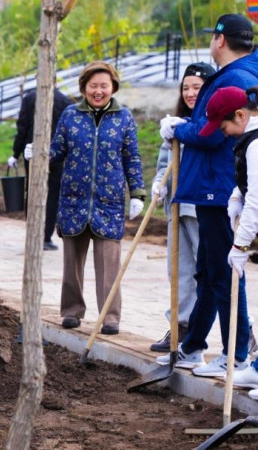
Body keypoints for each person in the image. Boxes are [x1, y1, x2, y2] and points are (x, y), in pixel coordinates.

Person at [156, 13, 258, 377]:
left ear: (220, 40)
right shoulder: (235, 73)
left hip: (219, 187)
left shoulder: (236, 78)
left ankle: (236, 353)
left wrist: (181, 129)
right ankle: (193, 345)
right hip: (213, 187)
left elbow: (214, 133)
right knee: (208, 272)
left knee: (224, 273)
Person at [49, 61, 146, 336]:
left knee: (109, 265)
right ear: (84, 88)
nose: (98, 91)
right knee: (72, 263)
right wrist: (38, 152)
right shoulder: (70, 115)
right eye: (93, 86)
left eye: (104, 85)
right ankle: (71, 311)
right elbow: (57, 150)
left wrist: (137, 193)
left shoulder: (123, 117)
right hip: (74, 199)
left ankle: (109, 316)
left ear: (113, 87)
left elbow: (132, 157)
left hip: (109, 201)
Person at [148, 63, 215, 353]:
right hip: (177, 208)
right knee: (179, 271)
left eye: (196, 87)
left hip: (203, 208)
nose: (190, 93)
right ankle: (180, 326)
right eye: (185, 87)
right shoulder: (175, 124)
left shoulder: (212, 124)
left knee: (212, 274)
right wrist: (159, 184)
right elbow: (165, 162)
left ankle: (242, 329)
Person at [213, 86, 258, 397]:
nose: (225, 133)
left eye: (224, 126)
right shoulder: (249, 140)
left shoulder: (255, 144)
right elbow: (249, 187)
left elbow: (256, 199)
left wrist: (240, 246)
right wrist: (235, 195)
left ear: (241, 115)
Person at [8, 84, 74, 251]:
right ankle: (46, 236)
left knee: (32, 191)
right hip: (57, 155)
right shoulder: (65, 101)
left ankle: (33, 233)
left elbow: (22, 127)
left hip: (33, 152)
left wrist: (16, 152)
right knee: (53, 194)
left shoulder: (30, 98)